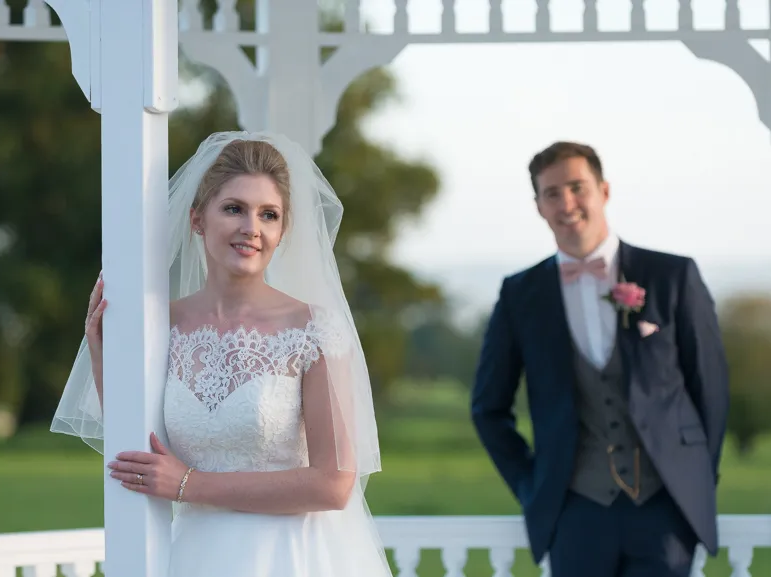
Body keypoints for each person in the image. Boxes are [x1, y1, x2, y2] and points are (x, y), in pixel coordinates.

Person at [51, 131, 392, 577]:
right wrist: (100, 353)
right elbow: (136, 450)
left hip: (290, 560)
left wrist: (190, 484)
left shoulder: (314, 330)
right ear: (197, 220)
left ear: (281, 230)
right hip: (195, 555)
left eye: (268, 215)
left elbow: (333, 484)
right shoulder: (161, 326)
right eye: (234, 208)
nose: (252, 227)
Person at [470, 141, 730, 576]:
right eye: (552, 193)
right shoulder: (520, 294)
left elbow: (711, 390)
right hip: (575, 513)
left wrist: (695, 481)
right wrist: (534, 486)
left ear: (604, 191)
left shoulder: (673, 275)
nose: (566, 202)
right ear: (538, 206)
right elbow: (488, 407)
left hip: (665, 510)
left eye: (577, 187)